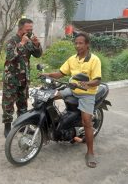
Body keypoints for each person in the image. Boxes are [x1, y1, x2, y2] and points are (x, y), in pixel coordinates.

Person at [42, 32, 101, 168]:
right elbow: (61, 73)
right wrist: (48, 74)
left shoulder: (94, 60)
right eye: (76, 43)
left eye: (81, 43)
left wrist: (86, 84)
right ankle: (52, 126)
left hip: (87, 93)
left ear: (87, 45)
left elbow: (97, 80)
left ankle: (90, 152)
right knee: (49, 96)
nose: (77, 45)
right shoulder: (72, 59)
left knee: (87, 121)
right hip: (72, 89)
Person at [2, 18, 42, 138]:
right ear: (20, 29)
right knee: (8, 104)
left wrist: (36, 44)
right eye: (27, 29)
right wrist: (22, 43)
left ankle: (23, 126)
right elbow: (10, 57)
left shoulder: (29, 41)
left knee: (23, 104)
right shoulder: (12, 41)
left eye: (31, 29)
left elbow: (38, 54)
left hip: (24, 79)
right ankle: (7, 127)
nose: (30, 32)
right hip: (11, 79)